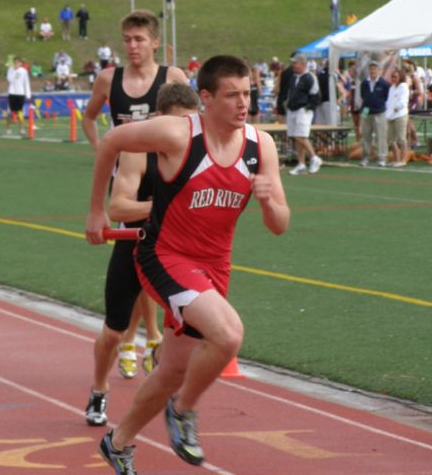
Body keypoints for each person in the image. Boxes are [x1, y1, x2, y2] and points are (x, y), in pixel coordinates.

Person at [85, 55, 289, 473]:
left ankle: (118, 442)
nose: (243, 104)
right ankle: (183, 411)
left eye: (248, 93)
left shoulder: (260, 145)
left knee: (173, 369)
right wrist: (96, 212)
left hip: (214, 267)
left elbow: (279, 226)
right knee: (229, 334)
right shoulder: (178, 134)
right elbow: (111, 141)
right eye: (232, 95)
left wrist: (269, 202)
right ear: (207, 98)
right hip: (165, 256)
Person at [85, 83, 199, 429]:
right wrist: (164, 207)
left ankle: (174, 402)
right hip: (135, 245)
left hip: (178, 251)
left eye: (189, 125)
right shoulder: (138, 151)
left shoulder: (198, 149)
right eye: (176, 124)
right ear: (158, 119)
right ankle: (99, 388)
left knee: (194, 331)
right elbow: (118, 205)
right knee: (114, 333)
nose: (182, 133)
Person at [82, 10, 188, 150]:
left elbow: (190, 122)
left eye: (139, 39)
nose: (132, 46)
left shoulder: (173, 77)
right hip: (122, 169)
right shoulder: (107, 79)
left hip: (163, 168)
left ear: (155, 43)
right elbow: (89, 118)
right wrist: (99, 148)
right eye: (127, 40)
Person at [285, 54, 323, 175]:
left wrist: (308, 107)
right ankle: (301, 164)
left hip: (303, 110)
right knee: (296, 136)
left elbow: (315, 94)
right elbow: (291, 92)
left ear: (302, 64)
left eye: (295, 63)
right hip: (292, 109)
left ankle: (314, 158)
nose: (293, 65)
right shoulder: (294, 76)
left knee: (300, 136)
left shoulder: (310, 77)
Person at [359, 60, 390, 167]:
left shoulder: (384, 84)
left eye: (375, 69)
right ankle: (366, 156)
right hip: (367, 112)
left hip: (379, 113)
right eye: (371, 69)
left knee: (381, 136)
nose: (373, 71)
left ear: (379, 71)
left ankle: (382, 157)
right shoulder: (364, 83)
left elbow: (386, 97)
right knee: (366, 136)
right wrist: (363, 114)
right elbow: (364, 97)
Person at [386, 67, 409, 167]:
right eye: (392, 77)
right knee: (390, 139)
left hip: (400, 115)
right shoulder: (392, 88)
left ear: (400, 77)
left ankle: (403, 160)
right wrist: (387, 112)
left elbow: (403, 101)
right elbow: (389, 102)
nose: (393, 79)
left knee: (401, 139)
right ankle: (396, 159)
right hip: (390, 116)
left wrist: (396, 107)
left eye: (395, 77)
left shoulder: (403, 86)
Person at [6, 57, 31, 135]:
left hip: (20, 93)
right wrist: (14, 71)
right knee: (10, 111)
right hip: (12, 92)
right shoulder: (10, 69)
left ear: (20, 63)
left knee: (20, 111)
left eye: (17, 62)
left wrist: (28, 94)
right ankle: (8, 129)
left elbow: (26, 83)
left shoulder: (24, 71)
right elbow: (9, 79)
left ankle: (21, 128)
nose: (15, 64)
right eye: (14, 62)